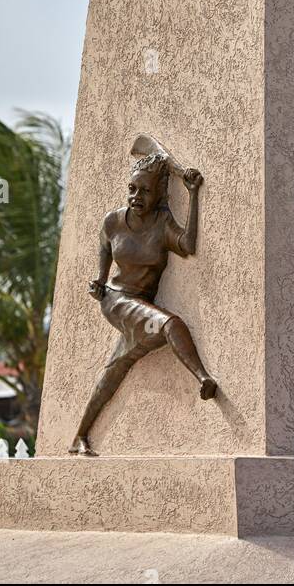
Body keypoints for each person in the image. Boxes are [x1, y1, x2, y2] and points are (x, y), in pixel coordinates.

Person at [68, 142, 216, 456]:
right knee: (170, 324)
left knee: (116, 368)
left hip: (141, 303)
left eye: (144, 192)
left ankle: (79, 436)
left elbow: (188, 245)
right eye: (132, 189)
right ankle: (203, 377)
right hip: (116, 300)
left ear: (159, 194)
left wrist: (192, 194)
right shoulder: (113, 221)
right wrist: (97, 283)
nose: (136, 197)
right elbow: (103, 264)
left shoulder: (163, 225)